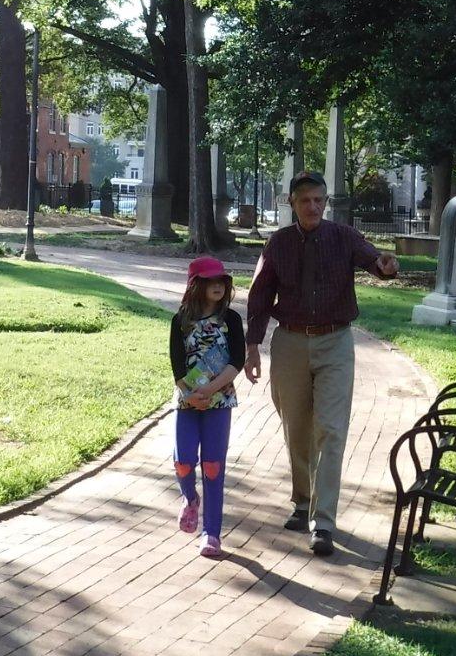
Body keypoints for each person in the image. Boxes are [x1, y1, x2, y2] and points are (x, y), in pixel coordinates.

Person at [244, 170, 400, 555]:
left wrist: (384, 265)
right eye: (305, 201)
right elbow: (260, 296)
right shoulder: (278, 244)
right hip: (290, 343)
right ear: (292, 204)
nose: (313, 206)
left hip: (335, 342)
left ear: (326, 203)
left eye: (319, 200)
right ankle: (301, 501)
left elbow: (373, 261)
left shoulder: (343, 237)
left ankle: (324, 522)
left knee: (330, 430)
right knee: (296, 427)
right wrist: (251, 347)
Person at [169, 255, 245, 559]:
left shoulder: (232, 320)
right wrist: (191, 394)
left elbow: (236, 361)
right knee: (183, 462)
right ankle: (190, 498)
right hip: (187, 402)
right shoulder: (181, 321)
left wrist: (210, 390)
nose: (218, 286)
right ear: (195, 285)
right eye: (210, 281)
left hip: (219, 401)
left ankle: (211, 533)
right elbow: (176, 366)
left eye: (221, 281)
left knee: (213, 466)